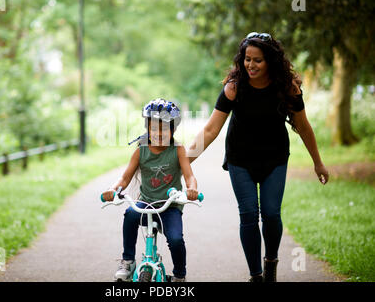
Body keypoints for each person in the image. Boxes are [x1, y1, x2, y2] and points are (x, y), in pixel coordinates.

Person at [187, 32, 329, 282]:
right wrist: (183, 162)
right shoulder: (234, 87)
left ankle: (271, 260)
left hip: (274, 158)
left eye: (258, 60)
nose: (250, 65)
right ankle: (256, 275)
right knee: (249, 214)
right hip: (240, 159)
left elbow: (304, 127)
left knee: (272, 214)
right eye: (247, 59)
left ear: (271, 61)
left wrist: (318, 162)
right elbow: (210, 130)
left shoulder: (287, 87)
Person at [102, 98, 199, 282]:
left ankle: (180, 275)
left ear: (173, 129)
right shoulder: (141, 151)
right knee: (130, 214)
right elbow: (124, 177)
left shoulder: (178, 150)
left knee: (176, 240)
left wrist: (191, 189)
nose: (158, 132)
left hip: (170, 206)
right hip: (145, 203)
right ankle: (128, 261)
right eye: (153, 128)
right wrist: (112, 190)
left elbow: (189, 176)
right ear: (147, 128)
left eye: (164, 128)